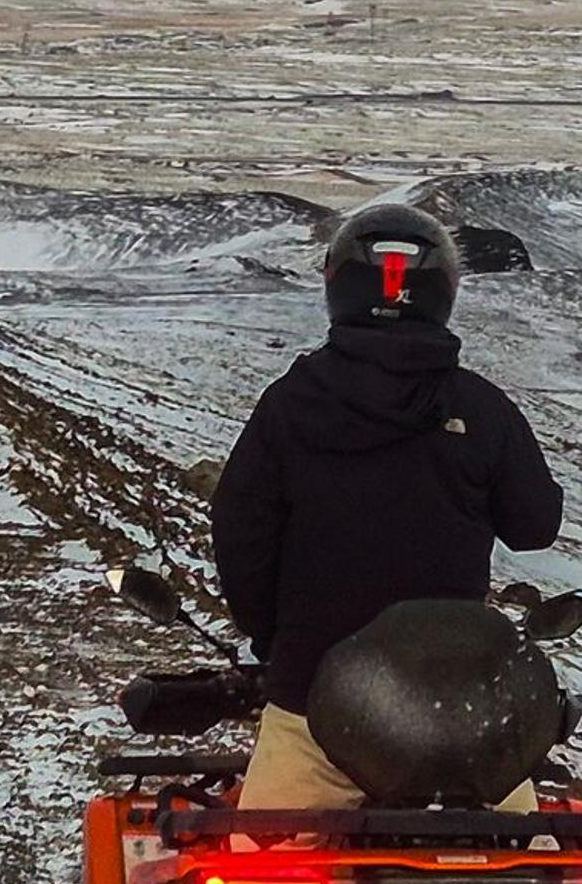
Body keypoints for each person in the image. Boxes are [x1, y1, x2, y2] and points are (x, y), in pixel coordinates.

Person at [212, 203, 562, 810]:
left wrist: (274, 639)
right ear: (444, 293)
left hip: (312, 704)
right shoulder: (482, 408)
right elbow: (536, 525)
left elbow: (239, 533)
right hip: (463, 714)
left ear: (337, 287)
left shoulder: (289, 406)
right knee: (528, 881)